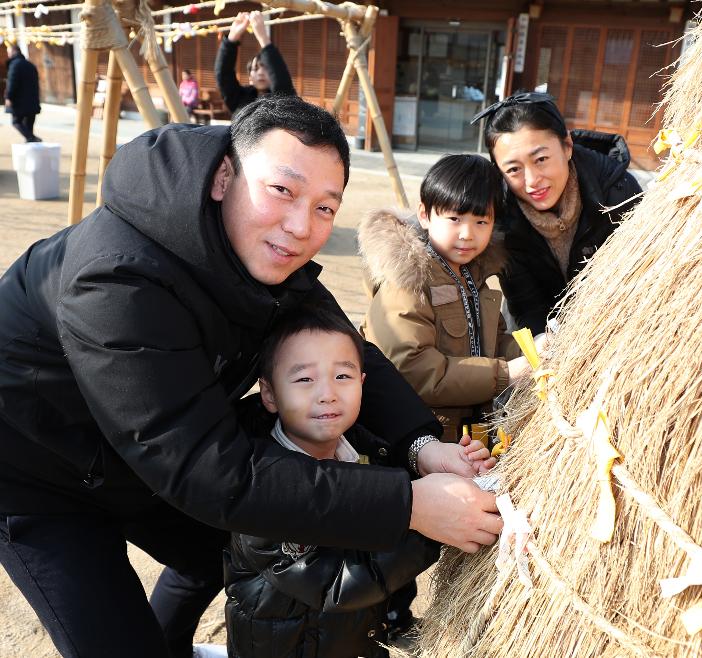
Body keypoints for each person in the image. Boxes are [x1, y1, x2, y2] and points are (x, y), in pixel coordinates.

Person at [0, 95, 502, 658]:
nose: (299, 228)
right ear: (223, 178)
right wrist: (409, 504)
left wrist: (422, 446)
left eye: (325, 208)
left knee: (224, 550)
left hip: (152, 446)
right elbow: (209, 474)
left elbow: (348, 352)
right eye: (282, 191)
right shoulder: (115, 278)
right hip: (38, 470)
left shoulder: (265, 256)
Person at [224, 307, 444, 658]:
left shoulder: (370, 450)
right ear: (269, 394)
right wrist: (434, 528)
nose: (327, 393)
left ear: (363, 384)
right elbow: (335, 586)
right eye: (304, 380)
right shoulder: (260, 488)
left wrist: (449, 478)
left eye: (343, 376)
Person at [359, 154, 528, 442]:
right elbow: (413, 369)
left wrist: (530, 352)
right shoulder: (408, 279)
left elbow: (493, 340)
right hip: (415, 438)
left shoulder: (474, 274)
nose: (467, 234)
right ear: (425, 215)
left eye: (481, 221)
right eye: (454, 218)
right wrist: (505, 373)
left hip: (462, 436)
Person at [472, 92, 642, 335]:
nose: (532, 181)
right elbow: (526, 304)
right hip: (543, 333)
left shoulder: (618, 192)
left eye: (541, 159)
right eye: (513, 169)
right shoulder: (502, 217)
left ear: (567, 146)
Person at [216, 11, 295, 115]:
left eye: (266, 68)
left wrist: (263, 38)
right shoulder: (238, 98)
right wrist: (232, 38)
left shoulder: (282, 102)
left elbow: (281, 82)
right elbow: (223, 74)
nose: (261, 73)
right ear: (250, 78)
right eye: (255, 69)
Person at [4, 43, 41, 143]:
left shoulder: (15, 65)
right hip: (32, 102)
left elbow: (12, 82)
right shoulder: (30, 65)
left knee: (16, 122)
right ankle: (31, 142)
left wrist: (8, 97)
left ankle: (32, 139)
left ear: (13, 51)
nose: (8, 55)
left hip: (20, 102)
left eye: (8, 52)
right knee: (28, 127)